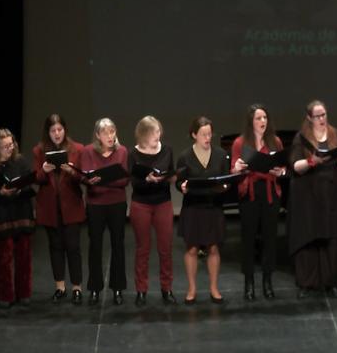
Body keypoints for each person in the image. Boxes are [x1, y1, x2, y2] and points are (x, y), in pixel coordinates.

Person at [289, 100, 337, 298]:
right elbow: (295, 166)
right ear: (309, 117)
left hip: (332, 197)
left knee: (331, 238)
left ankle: (331, 281)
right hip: (308, 196)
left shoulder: (336, 134)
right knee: (309, 237)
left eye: (324, 115)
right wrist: (312, 161)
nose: (322, 119)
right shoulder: (301, 138)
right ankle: (307, 283)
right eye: (317, 116)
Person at [231, 104, 286, 301]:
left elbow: (282, 167)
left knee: (270, 239)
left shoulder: (275, 141)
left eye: (265, 117)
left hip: (270, 192)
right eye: (258, 118)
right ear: (251, 122)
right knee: (248, 239)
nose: (263, 121)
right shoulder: (240, 142)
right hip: (250, 193)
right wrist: (237, 167)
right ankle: (249, 283)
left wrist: (282, 172)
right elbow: (233, 170)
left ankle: (267, 282)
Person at [0, 128, 37, 309]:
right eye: (5, 146)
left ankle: (24, 293)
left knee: (24, 255)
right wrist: (1, 192)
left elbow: (29, 183)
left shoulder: (20, 161)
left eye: (11, 144)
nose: (9, 148)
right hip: (2, 213)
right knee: (4, 257)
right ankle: (5, 295)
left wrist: (20, 188)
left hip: (21, 211)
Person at [32, 114, 85, 305]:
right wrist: (43, 171)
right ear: (48, 132)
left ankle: (77, 288)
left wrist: (72, 171)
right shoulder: (39, 150)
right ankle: (60, 287)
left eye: (60, 130)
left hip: (71, 204)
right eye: (53, 130)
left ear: (65, 130)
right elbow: (36, 178)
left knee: (73, 247)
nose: (57, 134)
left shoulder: (76, 149)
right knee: (55, 247)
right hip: (49, 206)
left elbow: (82, 178)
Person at [176, 116, 230, 304]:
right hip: (193, 208)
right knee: (192, 248)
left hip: (213, 207)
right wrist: (181, 187)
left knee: (213, 247)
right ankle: (191, 288)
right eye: (203, 134)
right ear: (194, 135)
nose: (208, 137)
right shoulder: (185, 156)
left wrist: (225, 187)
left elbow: (226, 180)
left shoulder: (221, 155)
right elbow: (179, 182)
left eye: (209, 134)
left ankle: (214, 288)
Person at [78, 118, 130, 305]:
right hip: (95, 204)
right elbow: (84, 176)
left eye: (112, 131)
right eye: (106, 132)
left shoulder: (122, 151)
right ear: (98, 135)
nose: (110, 136)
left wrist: (101, 180)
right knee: (95, 247)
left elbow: (124, 180)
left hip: (116, 203)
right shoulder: (87, 151)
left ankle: (117, 288)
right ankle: (94, 289)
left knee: (118, 245)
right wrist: (90, 180)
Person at [128, 116, 177, 306]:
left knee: (165, 248)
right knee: (143, 249)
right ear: (144, 134)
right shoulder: (134, 154)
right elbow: (133, 181)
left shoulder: (167, 151)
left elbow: (171, 173)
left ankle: (167, 288)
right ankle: (141, 290)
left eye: (159, 131)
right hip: (141, 203)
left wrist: (171, 177)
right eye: (154, 132)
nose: (158, 135)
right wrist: (146, 180)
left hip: (163, 203)